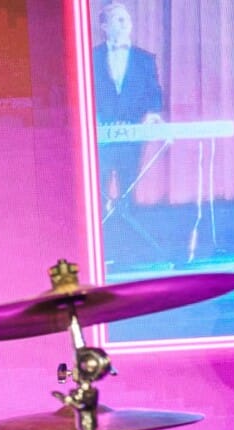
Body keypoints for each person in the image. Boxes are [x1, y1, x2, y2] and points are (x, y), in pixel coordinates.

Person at [92, 1, 171, 265]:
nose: (126, 24)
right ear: (104, 26)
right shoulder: (90, 57)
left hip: (132, 136)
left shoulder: (145, 58)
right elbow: (84, 92)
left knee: (128, 191)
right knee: (98, 191)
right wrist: (97, 120)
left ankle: (129, 251)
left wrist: (152, 114)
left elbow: (153, 92)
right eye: (118, 19)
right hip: (99, 138)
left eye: (127, 19)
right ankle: (101, 250)